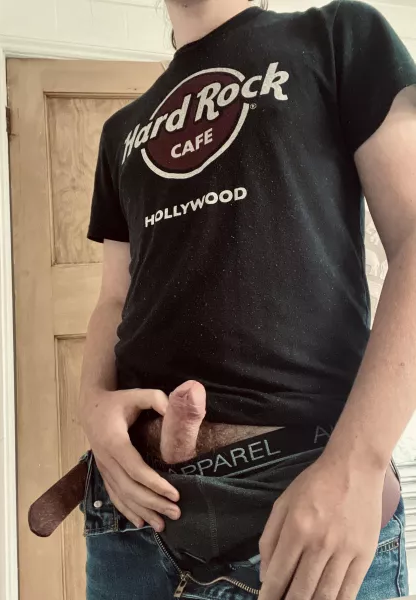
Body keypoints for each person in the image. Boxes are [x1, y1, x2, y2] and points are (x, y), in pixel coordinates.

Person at [79, 0, 416, 598]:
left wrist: (358, 463)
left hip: (304, 503)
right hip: (131, 513)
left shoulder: (339, 35)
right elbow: (113, 299)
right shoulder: (120, 132)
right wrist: (92, 403)